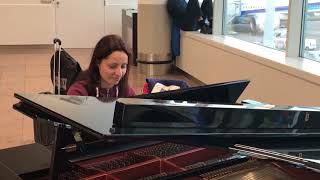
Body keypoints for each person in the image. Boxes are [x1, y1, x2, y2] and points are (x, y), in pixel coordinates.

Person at [67, 35, 135, 98]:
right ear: (98, 63)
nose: (119, 73)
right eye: (112, 66)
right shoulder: (79, 92)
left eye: (123, 66)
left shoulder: (127, 92)